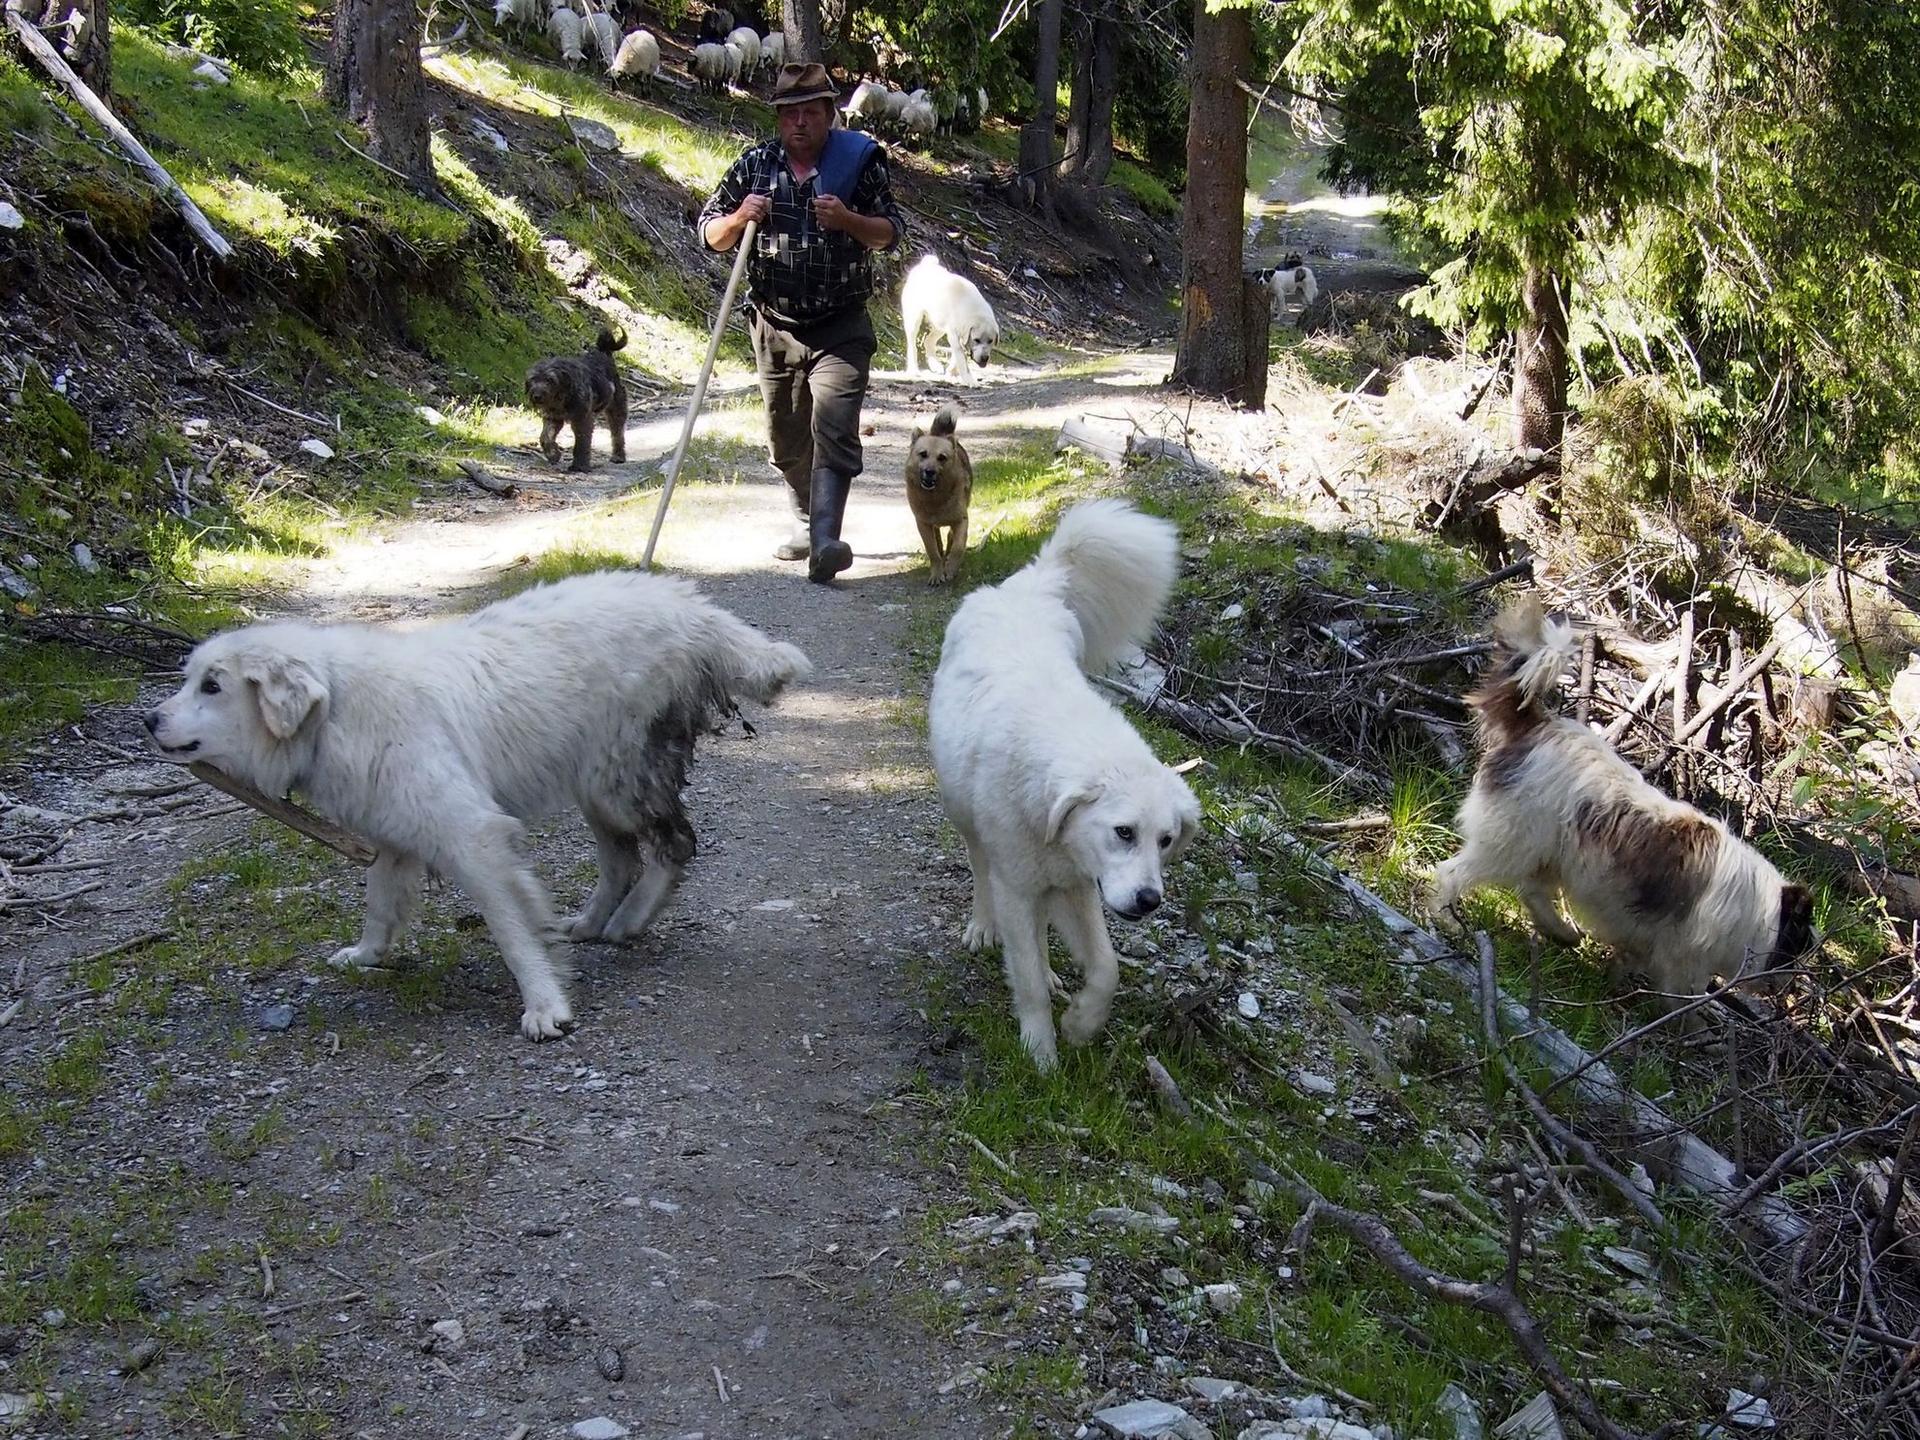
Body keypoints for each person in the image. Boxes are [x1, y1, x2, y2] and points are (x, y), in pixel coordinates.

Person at [699, 63, 906, 583]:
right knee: (786, 437)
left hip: (841, 326)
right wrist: (738, 218)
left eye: (810, 113)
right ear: (778, 117)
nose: (799, 123)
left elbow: (889, 232)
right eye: (789, 114)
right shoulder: (756, 166)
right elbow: (709, 234)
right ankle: (807, 522)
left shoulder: (858, 164)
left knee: (834, 427)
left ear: (829, 114)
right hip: (775, 326)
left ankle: (825, 542)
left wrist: (849, 221)